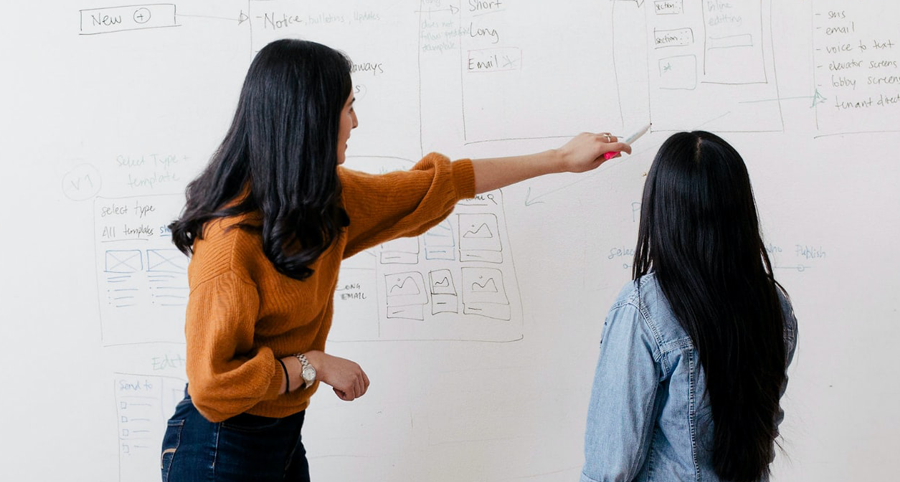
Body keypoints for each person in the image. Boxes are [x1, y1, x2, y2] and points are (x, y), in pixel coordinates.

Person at [159, 38, 633, 481]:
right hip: (217, 450)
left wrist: (560, 158)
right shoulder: (229, 245)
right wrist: (313, 364)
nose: (356, 122)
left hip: (281, 438)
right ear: (311, 120)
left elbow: (438, 185)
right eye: (348, 108)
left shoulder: (321, 202)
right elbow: (213, 386)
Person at [581, 131, 798, 482]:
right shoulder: (774, 305)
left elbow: (610, 466)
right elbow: (763, 435)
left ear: (662, 207)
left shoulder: (644, 309)